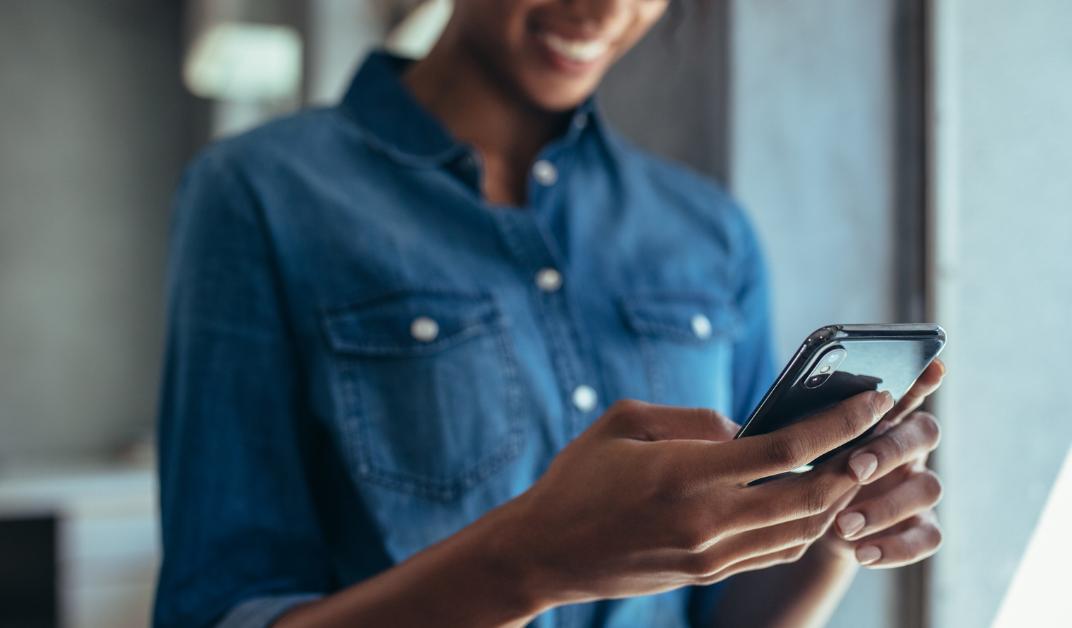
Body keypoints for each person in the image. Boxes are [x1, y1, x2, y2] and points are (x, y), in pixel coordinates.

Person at [153, 1, 946, 627]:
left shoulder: (707, 230)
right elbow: (223, 611)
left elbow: (720, 604)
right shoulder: (260, 193)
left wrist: (831, 518)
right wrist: (529, 563)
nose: (603, 11)